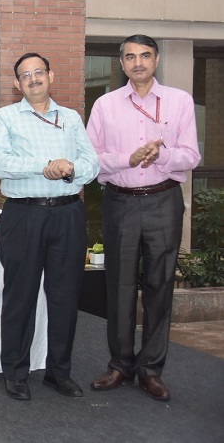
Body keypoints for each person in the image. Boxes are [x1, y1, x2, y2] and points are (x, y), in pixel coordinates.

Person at [86, 34, 200, 402]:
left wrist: (161, 155)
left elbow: (191, 155)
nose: (138, 63)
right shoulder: (105, 105)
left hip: (164, 201)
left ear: (157, 60)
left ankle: (151, 369)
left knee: (159, 286)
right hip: (120, 202)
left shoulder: (179, 101)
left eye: (145, 55)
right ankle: (120, 364)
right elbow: (91, 160)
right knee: (118, 286)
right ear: (121, 63)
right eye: (131, 57)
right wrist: (128, 159)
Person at [0, 52, 99, 402]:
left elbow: (91, 163)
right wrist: (46, 165)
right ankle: (16, 372)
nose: (33, 78)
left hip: (68, 214)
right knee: (20, 296)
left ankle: (58, 372)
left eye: (39, 72)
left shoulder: (71, 118)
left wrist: (70, 169)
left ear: (51, 75)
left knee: (65, 296)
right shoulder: (5, 117)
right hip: (24, 215)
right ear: (16, 83)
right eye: (26, 74)